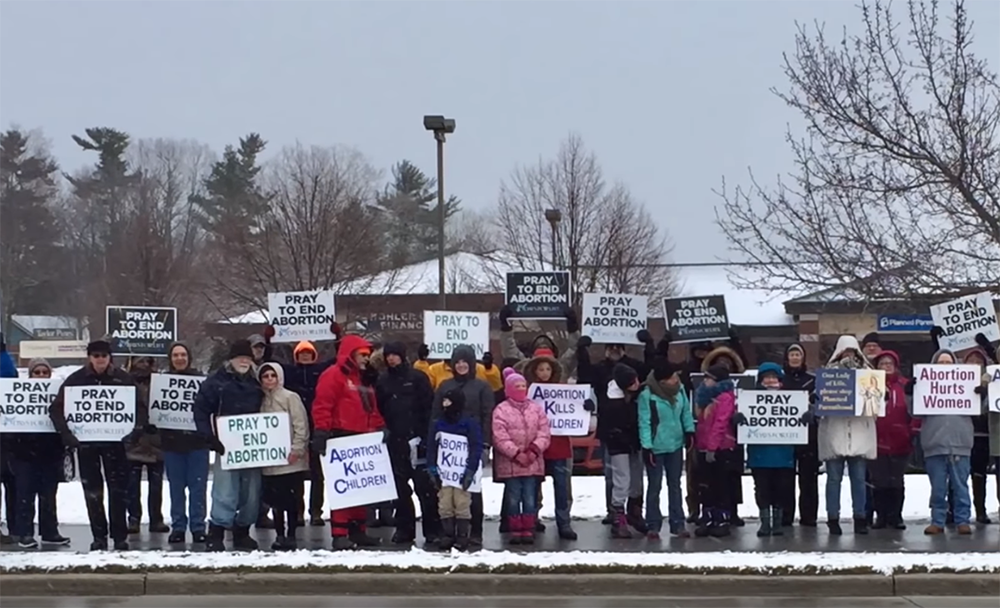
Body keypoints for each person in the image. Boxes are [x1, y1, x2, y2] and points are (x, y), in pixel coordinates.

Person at [499, 305, 582, 538]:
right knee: (532, 485)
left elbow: (575, 348)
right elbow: (510, 348)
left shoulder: (562, 369)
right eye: (539, 350)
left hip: (560, 440)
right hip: (532, 442)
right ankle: (531, 519)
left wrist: (572, 326)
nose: (544, 370)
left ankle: (563, 522)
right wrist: (506, 327)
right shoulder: (525, 372)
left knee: (562, 485)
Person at [49, 339, 140, 551]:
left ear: (110, 358)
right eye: (96, 356)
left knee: (118, 491)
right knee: (92, 491)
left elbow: (140, 407)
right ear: (90, 357)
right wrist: (67, 435)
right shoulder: (76, 380)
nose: (100, 360)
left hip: (116, 444)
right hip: (87, 445)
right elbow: (56, 409)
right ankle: (99, 536)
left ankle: (119, 537)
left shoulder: (123, 379)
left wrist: (135, 431)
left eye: (104, 356)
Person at [311, 334, 387, 550]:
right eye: (363, 354)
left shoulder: (363, 378)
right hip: (341, 436)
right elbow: (323, 404)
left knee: (360, 488)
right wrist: (322, 431)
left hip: (363, 437)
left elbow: (370, 408)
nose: (366, 358)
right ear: (351, 353)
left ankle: (357, 530)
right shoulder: (333, 375)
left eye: (368, 354)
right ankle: (340, 532)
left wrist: (380, 426)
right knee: (344, 487)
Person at [193, 339, 265, 552]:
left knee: (251, 492)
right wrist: (209, 437)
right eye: (240, 357)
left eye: (248, 358)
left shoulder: (257, 382)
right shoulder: (216, 382)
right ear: (231, 360)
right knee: (225, 490)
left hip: (254, 447)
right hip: (226, 445)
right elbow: (201, 410)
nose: (244, 361)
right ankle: (216, 531)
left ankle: (242, 530)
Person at [263, 328, 338, 527]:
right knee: (294, 474)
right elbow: (270, 365)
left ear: (314, 355)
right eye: (302, 353)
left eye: (308, 353)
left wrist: (337, 337)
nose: (305, 356)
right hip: (290, 429)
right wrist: (268, 340)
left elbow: (338, 359)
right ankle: (297, 511)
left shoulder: (321, 370)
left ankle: (315, 512)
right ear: (296, 356)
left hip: (316, 427)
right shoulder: (290, 372)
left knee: (316, 474)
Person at [805, 335, 876, 536]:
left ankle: (860, 518)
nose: (849, 355)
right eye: (846, 351)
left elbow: (875, 406)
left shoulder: (868, 374)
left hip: (859, 433)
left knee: (859, 480)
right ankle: (832, 518)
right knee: (833, 480)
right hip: (835, 433)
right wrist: (816, 399)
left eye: (852, 351)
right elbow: (819, 410)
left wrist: (881, 396)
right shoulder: (827, 376)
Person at [575, 336, 648, 528]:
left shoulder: (633, 371)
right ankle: (615, 512)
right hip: (612, 431)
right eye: (611, 346)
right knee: (615, 474)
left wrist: (650, 345)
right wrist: (582, 352)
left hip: (633, 435)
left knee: (634, 475)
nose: (614, 349)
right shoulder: (600, 369)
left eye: (618, 346)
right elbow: (584, 376)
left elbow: (650, 368)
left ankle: (634, 511)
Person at [375, 341, 439, 545]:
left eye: (395, 354)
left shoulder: (418, 378)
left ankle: (433, 530)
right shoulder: (383, 380)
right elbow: (379, 409)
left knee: (425, 489)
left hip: (417, 440)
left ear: (403, 356)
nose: (391, 358)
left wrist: (424, 436)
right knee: (400, 490)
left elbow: (429, 408)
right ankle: (404, 529)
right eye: (388, 355)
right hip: (395, 441)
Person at [431, 345, 495, 547]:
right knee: (448, 491)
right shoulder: (444, 386)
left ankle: (475, 531)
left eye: (464, 361)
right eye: (457, 362)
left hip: (473, 444)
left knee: (472, 490)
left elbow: (488, 415)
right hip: (448, 448)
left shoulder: (482, 386)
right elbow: (436, 414)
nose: (461, 365)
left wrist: (486, 443)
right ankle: (449, 533)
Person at [6, 358, 69, 548]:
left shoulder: (58, 395)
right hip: (24, 453)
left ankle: (50, 531)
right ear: (30, 374)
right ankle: (25, 533)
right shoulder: (17, 394)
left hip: (50, 453)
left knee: (49, 495)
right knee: (25, 494)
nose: (41, 376)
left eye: (45, 372)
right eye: (37, 372)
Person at [919, 348, 974, 535]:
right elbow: (913, 411)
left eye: (948, 363)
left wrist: (981, 394)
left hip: (961, 442)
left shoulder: (966, 386)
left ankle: (963, 520)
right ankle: (937, 520)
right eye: (941, 363)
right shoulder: (925, 386)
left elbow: (980, 409)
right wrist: (912, 393)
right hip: (934, 443)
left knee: (961, 486)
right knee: (938, 488)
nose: (945, 367)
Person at [492, 368, 551, 545]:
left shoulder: (536, 408)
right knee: (513, 497)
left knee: (530, 497)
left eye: (523, 386)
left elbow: (544, 432)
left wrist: (533, 451)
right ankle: (515, 529)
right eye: (516, 386)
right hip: (511, 464)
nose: (520, 389)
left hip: (532, 463)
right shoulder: (500, 410)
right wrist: (516, 454)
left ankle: (528, 528)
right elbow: (499, 436)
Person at [638, 358, 694, 539]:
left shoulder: (680, 391)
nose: (676, 379)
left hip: (675, 444)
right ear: (662, 381)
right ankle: (653, 524)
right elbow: (644, 421)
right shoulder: (647, 395)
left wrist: (689, 431)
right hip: (656, 445)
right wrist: (647, 447)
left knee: (675, 485)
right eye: (672, 377)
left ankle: (678, 524)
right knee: (655, 486)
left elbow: (685, 411)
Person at [160, 342, 210, 545]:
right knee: (176, 488)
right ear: (170, 359)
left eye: (183, 354)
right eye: (175, 355)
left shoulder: (201, 382)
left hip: (197, 444)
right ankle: (178, 527)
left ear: (188, 357)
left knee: (198, 488)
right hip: (172, 444)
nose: (179, 358)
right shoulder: (162, 383)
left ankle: (198, 527)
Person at [738, 362, 795, 537]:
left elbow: (800, 419)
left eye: (773, 377)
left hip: (783, 453)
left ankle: (777, 523)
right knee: (762, 488)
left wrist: (805, 416)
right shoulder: (749, 399)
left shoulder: (792, 398)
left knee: (781, 488)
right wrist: (738, 417)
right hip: (759, 453)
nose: (770, 381)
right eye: (766, 378)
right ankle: (764, 522)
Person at [258, 362, 310, 551]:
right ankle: (279, 535)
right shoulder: (259, 400)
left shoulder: (290, 397)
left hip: (291, 460)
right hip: (270, 461)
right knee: (275, 501)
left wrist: (297, 449)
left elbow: (300, 424)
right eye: (266, 376)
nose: (270, 379)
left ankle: (292, 535)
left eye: (273, 375)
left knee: (292, 500)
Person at [426, 388, 483, 551]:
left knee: (462, 503)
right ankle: (448, 534)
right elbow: (431, 447)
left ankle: (462, 535)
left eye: (448, 401)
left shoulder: (469, 423)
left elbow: (475, 447)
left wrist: (470, 470)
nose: (445, 404)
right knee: (444, 503)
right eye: (444, 401)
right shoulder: (438, 423)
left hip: (461, 471)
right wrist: (432, 469)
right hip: (444, 473)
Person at [870, 350, 917, 530]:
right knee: (879, 481)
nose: (886, 366)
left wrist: (911, 430)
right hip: (876, 439)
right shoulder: (869, 386)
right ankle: (881, 516)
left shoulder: (905, 385)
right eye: (882, 363)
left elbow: (914, 410)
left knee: (896, 480)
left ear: (896, 366)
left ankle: (896, 516)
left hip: (900, 440)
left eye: (889, 363)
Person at [598, 363, 645, 539]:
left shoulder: (636, 396)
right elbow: (609, 425)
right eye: (633, 382)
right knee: (621, 479)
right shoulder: (611, 401)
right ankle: (618, 517)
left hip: (634, 443)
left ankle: (635, 510)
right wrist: (619, 436)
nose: (637, 383)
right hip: (618, 444)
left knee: (636, 479)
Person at [693, 365, 738, 538]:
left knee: (720, 485)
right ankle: (708, 517)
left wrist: (712, 447)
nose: (705, 381)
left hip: (720, 448)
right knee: (706, 485)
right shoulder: (704, 398)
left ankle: (722, 519)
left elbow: (720, 424)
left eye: (709, 378)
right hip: (704, 446)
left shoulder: (725, 398)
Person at [125, 356, 168, 535]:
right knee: (132, 485)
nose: (143, 365)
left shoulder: (162, 383)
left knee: (156, 485)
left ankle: (156, 518)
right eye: (139, 361)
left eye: (147, 361)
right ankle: (134, 518)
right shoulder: (125, 382)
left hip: (155, 440)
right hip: (133, 439)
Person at [782, 343, 817, 527]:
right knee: (785, 479)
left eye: (798, 354)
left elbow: (822, 404)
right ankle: (786, 515)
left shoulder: (813, 380)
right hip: (785, 437)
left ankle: (809, 516)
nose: (795, 357)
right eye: (792, 354)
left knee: (808, 479)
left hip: (808, 437)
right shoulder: (779, 380)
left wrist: (812, 411)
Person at [963, 347, 994, 524]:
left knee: (979, 474)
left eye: (978, 360)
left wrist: (984, 393)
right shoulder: (956, 379)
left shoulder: (990, 380)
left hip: (982, 433)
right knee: (957, 475)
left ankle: (980, 509)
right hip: (961, 432)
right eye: (971, 360)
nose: (974, 363)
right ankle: (954, 510)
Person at [0, 333, 18, 546]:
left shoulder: (4, 362)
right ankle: (16, 526)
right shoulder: (7, 362)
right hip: (8, 430)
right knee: (11, 481)